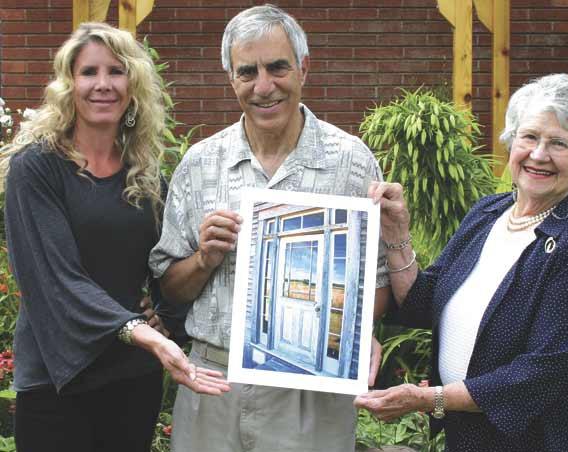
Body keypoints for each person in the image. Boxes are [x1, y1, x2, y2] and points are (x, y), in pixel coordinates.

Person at [149, 4, 390, 452]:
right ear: (231, 79)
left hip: (312, 391)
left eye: (277, 67)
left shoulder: (351, 162)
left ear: (303, 68)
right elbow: (171, 290)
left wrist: (346, 329)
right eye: (247, 72)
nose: (264, 86)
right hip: (214, 383)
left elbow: (377, 282)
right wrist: (204, 259)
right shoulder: (200, 164)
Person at [354, 73, 568, 451]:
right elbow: (423, 303)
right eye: (530, 137)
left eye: (558, 143)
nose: (539, 154)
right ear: (512, 140)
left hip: (544, 441)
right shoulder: (488, 213)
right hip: (471, 437)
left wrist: (429, 399)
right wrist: (396, 232)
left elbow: (540, 373)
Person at [1, 23, 229, 452]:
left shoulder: (146, 179)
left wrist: (166, 315)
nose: (102, 84)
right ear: (69, 84)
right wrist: (142, 331)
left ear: (132, 85)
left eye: (116, 71)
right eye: (89, 72)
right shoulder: (36, 169)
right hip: (57, 380)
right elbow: (55, 279)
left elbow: (165, 267)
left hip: (131, 376)